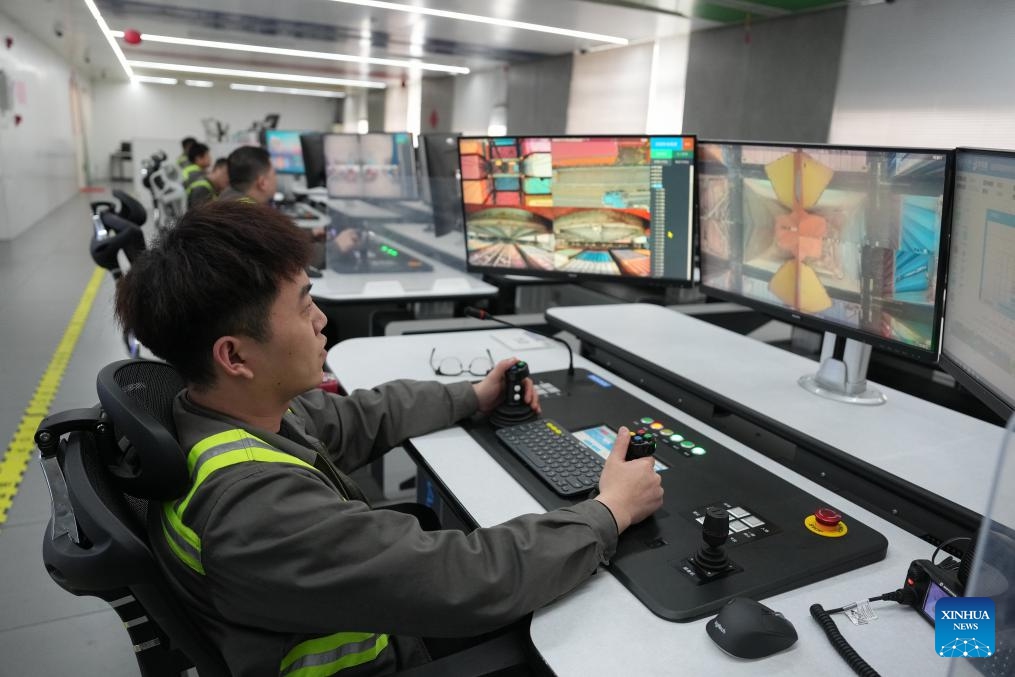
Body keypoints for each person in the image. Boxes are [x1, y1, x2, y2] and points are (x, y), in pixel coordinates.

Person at [114, 200, 664, 677]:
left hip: (374, 620)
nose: (322, 319)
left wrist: (473, 395)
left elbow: (357, 418)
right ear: (234, 356)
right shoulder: (256, 509)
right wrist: (610, 511)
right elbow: (471, 578)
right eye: (304, 305)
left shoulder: (223, 412)